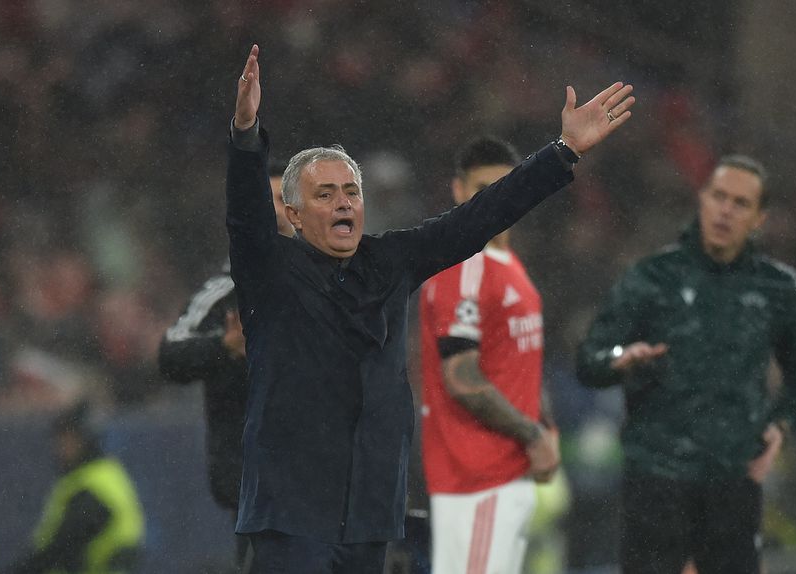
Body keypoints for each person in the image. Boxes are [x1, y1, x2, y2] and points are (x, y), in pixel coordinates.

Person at [227, 44, 634, 573]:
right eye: (325, 195)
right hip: (292, 509)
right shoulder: (270, 270)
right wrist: (244, 134)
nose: (345, 202)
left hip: (370, 507)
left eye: (351, 191)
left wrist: (563, 153)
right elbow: (244, 216)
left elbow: (479, 217)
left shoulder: (390, 260)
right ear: (295, 214)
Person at [575, 155, 796, 574]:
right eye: (718, 196)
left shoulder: (779, 289)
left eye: (741, 203)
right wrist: (622, 359)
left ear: (759, 218)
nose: (726, 209)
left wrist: (782, 425)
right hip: (656, 478)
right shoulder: (652, 278)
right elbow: (590, 361)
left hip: (732, 480)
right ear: (702, 200)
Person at [418, 136, 560, 574]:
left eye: (505, 187)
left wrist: (547, 428)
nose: (496, 200)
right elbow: (460, 376)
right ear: (458, 189)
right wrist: (534, 436)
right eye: (483, 188)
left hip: (505, 474)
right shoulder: (463, 263)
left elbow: (519, 359)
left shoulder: (507, 263)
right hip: (475, 479)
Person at [157, 160, 292, 570]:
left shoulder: (334, 283)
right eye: (266, 201)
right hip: (257, 487)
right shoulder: (225, 291)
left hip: (327, 481)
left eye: (286, 200)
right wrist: (225, 345)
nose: (278, 211)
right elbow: (170, 356)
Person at [0, 402, 145, 574]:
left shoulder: (92, 486)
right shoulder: (99, 475)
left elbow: (63, 546)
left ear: (84, 440)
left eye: (67, 439)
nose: (60, 447)